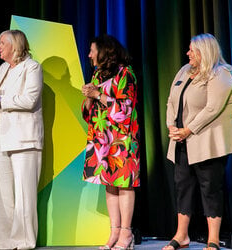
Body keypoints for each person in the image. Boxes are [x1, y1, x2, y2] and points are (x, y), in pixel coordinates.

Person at [162, 33, 232, 250]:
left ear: (204, 52)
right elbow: (171, 100)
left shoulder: (220, 74)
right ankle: (182, 236)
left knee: (210, 189)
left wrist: (188, 130)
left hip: (208, 144)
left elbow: (213, 108)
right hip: (181, 141)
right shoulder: (184, 71)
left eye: (192, 50)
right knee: (183, 187)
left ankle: (213, 239)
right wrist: (171, 126)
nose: (187, 53)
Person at [0, 30, 44, 250]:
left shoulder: (32, 67)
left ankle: (24, 240)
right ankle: (4, 240)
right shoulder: (4, 68)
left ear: (14, 45)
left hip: (24, 139)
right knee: (4, 194)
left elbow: (30, 100)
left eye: (2, 43)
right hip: (2, 138)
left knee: (24, 193)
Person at [81, 34, 140, 250]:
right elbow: (89, 112)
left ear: (104, 52)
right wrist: (88, 97)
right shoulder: (97, 74)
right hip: (102, 138)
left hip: (122, 138)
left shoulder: (126, 73)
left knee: (124, 184)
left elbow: (124, 110)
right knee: (109, 184)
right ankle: (114, 232)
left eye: (92, 51)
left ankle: (126, 233)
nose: (89, 55)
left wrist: (97, 95)